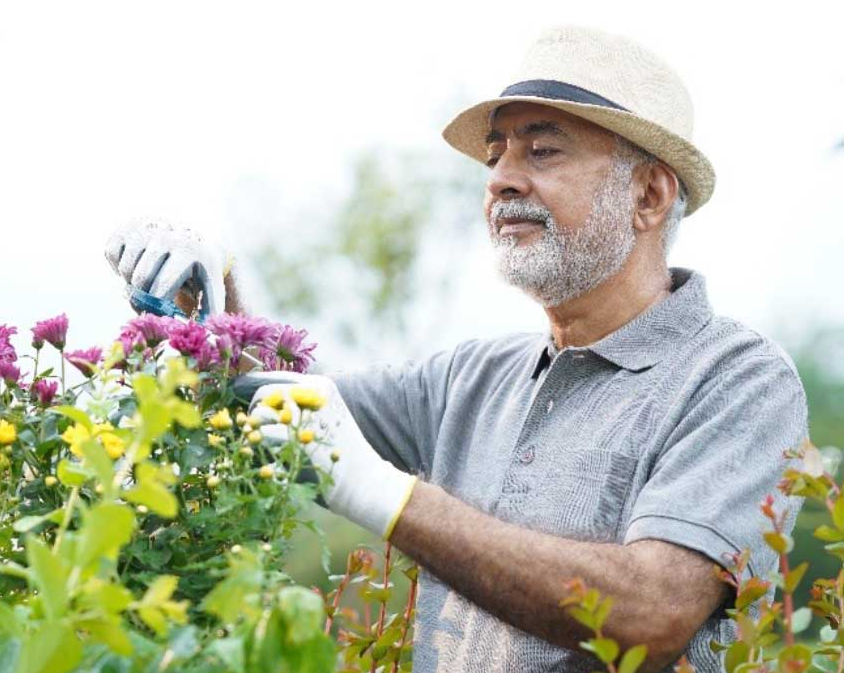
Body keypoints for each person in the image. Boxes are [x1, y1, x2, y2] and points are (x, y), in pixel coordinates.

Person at [104, 26, 808, 673]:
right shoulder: (471, 378)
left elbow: (653, 612)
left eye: (543, 150)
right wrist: (211, 298)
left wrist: (390, 497)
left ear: (649, 195)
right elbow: (285, 399)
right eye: (497, 154)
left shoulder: (736, 380)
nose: (500, 178)